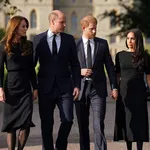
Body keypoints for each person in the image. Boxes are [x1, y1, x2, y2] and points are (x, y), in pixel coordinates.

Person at [33, 10, 81, 150]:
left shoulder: (69, 39)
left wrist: (77, 85)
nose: (65, 24)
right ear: (52, 22)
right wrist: (33, 86)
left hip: (65, 87)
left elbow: (75, 64)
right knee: (46, 124)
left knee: (68, 120)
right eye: (62, 22)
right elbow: (32, 64)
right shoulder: (39, 39)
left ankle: (60, 146)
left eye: (65, 22)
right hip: (45, 88)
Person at [74, 15, 118, 150]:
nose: (94, 31)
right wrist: (79, 71)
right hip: (80, 90)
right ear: (83, 28)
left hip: (97, 90)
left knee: (98, 123)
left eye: (95, 28)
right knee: (82, 125)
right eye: (91, 29)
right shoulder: (74, 45)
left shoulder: (102, 44)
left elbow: (109, 67)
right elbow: (67, 67)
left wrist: (114, 86)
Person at [0, 16, 38, 150]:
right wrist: (0, 89)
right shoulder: (4, 44)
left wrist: (35, 88)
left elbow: (31, 69)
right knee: (11, 124)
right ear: (15, 27)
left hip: (26, 89)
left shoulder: (28, 45)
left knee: (26, 122)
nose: (26, 29)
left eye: (26, 26)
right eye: (23, 26)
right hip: (10, 88)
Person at [114, 28, 150, 150]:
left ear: (138, 40)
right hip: (124, 92)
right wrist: (115, 89)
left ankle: (139, 148)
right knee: (126, 119)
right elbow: (117, 75)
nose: (129, 41)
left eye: (132, 38)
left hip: (139, 92)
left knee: (139, 120)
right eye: (128, 38)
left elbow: (149, 76)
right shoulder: (120, 55)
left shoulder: (144, 56)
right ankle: (129, 147)